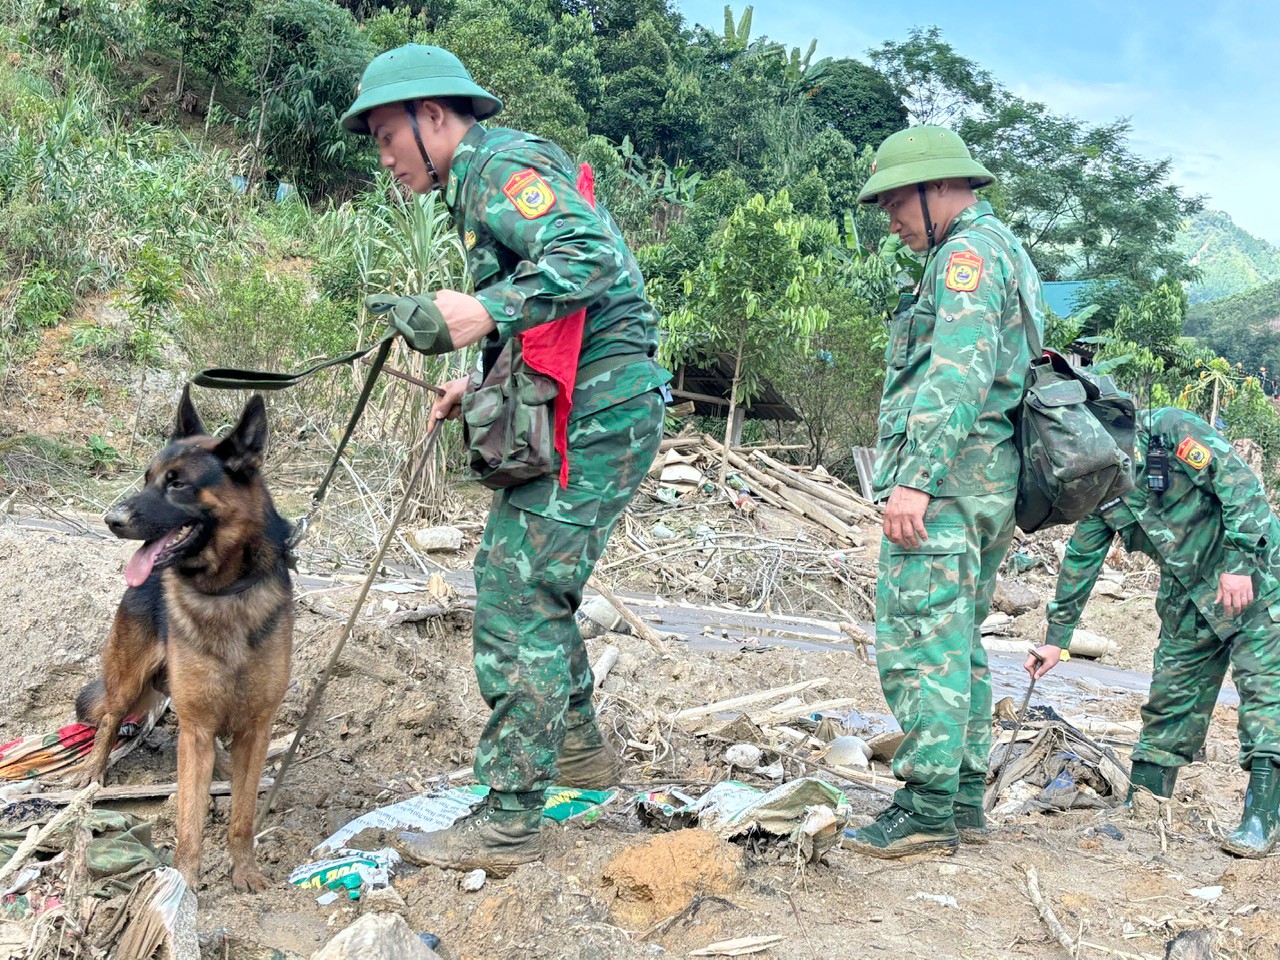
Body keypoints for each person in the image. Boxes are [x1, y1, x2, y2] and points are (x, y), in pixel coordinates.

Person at [339, 44, 671, 875]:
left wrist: (481, 312)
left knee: (516, 587)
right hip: (588, 399)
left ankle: (509, 817)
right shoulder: (479, 183)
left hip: (602, 404)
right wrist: (475, 378)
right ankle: (579, 756)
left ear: (437, 119)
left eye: (388, 136)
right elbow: (548, 302)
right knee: (537, 581)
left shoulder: (501, 166)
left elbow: (589, 256)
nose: (383, 157)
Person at [843, 126, 1046, 858]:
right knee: (957, 645)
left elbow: (956, 375)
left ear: (938, 189)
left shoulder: (964, 255)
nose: (890, 218)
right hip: (985, 484)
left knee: (921, 639)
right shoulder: (1004, 252)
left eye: (897, 201)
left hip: (951, 486)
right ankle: (960, 803)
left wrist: (914, 482)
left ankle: (926, 806)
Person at [1029, 408, 1280, 857]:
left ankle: (1261, 818)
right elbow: (1081, 561)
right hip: (1187, 599)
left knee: (1267, 698)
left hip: (1256, 584)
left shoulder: (1168, 432)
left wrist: (1239, 566)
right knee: (1169, 701)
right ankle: (1143, 806)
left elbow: (1241, 488)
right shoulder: (1095, 485)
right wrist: (1056, 639)